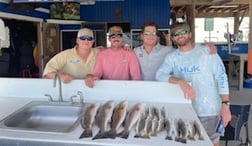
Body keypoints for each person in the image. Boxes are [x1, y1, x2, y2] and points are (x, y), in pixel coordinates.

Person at [155, 22, 231, 146]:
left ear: (190, 34)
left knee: (212, 143)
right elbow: (160, 75)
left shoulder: (207, 52)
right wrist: (180, 81)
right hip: (186, 111)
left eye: (183, 32)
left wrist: (225, 105)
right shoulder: (171, 57)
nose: (180, 35)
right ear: (173, 38)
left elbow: (222, 78)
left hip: (210, 110)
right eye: (176, 34)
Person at [134, 21, 217, 81]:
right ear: (141, 36)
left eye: (153, 33)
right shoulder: (134, 52)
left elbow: (187, 51)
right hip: (142, 89)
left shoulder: (168, 51)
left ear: (156, 36)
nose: (150, 36)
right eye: (147, 33)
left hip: (163, 90)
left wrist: (205, 49)